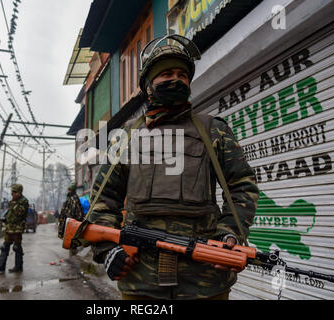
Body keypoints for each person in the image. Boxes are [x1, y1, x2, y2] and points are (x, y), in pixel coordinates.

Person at [85, 35, 260, 300]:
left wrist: (230, 234)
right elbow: (103, 199)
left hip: (205, 282)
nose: (175, 79)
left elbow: (242, 186)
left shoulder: (213, 130)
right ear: (147, 84)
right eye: (165, 73)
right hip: (140, 283)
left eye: (182, 74)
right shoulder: (128, 136)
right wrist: (109, 250)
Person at [0, 184, 29, 273]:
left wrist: (8, 219)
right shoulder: (12, 201)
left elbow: (18, 215)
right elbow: (9, 213)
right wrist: (4, 219)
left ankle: (18, 266)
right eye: (12, 192)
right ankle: (0, 266)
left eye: (14, 192)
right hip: (9, 228)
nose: (12, 194)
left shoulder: (23, 201)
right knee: (4, 247)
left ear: (19, 192)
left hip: (17, 228)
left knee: (16, 247)